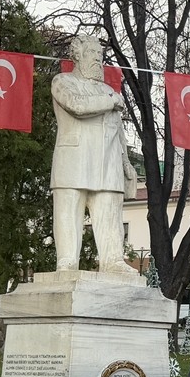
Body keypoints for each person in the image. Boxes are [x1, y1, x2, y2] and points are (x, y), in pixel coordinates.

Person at [50, 34, 139, 274]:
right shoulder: (63, 82)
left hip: (107, 164)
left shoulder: (109, 91)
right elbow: (77, 106)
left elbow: (117, 129)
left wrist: (125, 162)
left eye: (100, 56)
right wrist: (110, 100)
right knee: (68, 216)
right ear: (77, 55)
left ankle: (113, 260)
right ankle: (66, 262)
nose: (98, 60)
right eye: (92, 54)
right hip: (74, 162)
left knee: (110, 215)